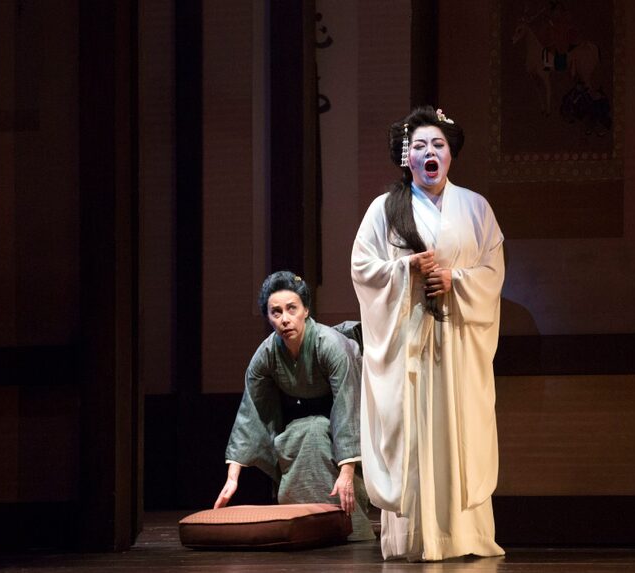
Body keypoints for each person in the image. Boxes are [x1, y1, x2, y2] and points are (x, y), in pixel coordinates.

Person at [351, 106, 505, 561]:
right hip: (408, 347)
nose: (429, 152)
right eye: (419, 146)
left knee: (461, 430)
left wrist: (454, 280)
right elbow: (363, 269)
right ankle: (413, 540)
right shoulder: (384, 210)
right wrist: (407, 270)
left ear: (450, 155)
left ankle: (465, 536)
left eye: (438, 144)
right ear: (406, 157)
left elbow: (493, 270)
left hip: (457, 342)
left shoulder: (476, 207)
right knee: (412, 434)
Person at [214, 271, 374, 541]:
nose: (284, 318)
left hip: (354, 413)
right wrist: (232, 477)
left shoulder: (332, 345)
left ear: (306, 310)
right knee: (294, 438)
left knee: (318, 434)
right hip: (302, 419)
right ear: (267, 316)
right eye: (275, 312)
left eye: (292, 309)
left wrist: (347, 473)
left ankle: (347, 527)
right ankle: (300, 527)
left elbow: (348, 404)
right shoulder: (266, 354)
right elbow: (251, 410)